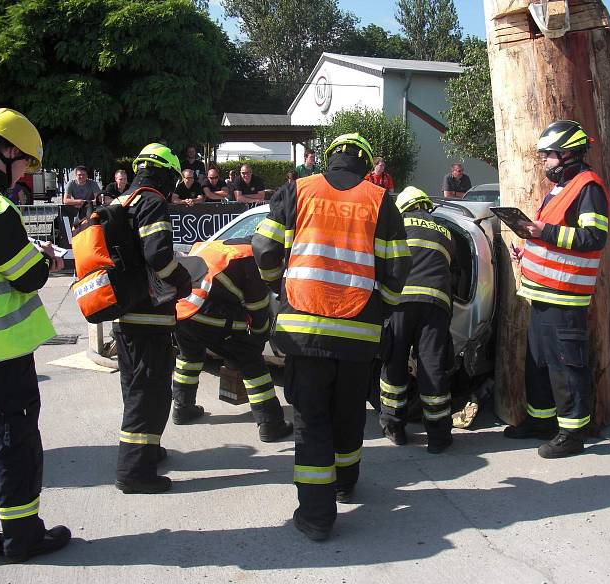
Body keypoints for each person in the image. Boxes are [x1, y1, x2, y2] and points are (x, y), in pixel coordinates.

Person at [253, 132, 410, 541]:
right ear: (364, 162)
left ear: (329, 158)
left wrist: (276, 286)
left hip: (303, 329)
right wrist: (385, 307)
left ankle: (317, 516)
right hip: (358, 333)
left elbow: (264, 247)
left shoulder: (297, 190)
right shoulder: (380, 201)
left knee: (310, 421)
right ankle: (344, 483)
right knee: (348, 412)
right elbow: (397, 269)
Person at [0, 108, 71, 566]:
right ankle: (22, 537)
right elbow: (28, 277)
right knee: (14, 446)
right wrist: (50, 261)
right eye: (25, 163)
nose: (25, 174)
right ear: (7, 152)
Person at [505, 120, 610, 459]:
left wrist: (542, 232)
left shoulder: (588, 186)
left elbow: (594, 238)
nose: (545, 162)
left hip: (566, 295)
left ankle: (572, 433)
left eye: (548, 155)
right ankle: (541, 422)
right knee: (538, 363)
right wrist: (528, 247)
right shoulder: (560, 189)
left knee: (566, 365)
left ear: (567, 154)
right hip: (543, 292)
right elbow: (549, 236)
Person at [112, 143, 192, 494]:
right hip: (149, 315)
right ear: (165, 173)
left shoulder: (121, 201)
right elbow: (158, 255)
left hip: (124, 312)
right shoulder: (152, 201)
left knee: (134, 387)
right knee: (151, 391)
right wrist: (182, 279)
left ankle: (145, 450)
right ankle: (134, 472)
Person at [171, 237, 293, 441]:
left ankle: (182, 408)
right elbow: (258, 307)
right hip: (206, 311)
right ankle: (270, 423)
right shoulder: (250, 259)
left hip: (183, 310)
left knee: (189, 357)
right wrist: (258, 337)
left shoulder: (221, 245)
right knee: (251, 360)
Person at [379, 186, 455, 453]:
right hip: (435, 305)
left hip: (400, 303)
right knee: (432, 368)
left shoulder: (396, 225)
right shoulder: (445, 231)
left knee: (394, 364)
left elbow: (384, 263)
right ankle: (438, 436)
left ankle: (394, 428)